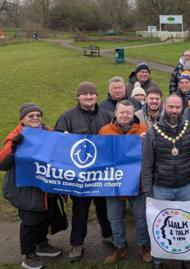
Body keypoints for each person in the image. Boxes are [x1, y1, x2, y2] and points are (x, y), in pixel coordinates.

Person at [141, 94, 190, 269]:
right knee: (159, 225)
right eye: (171, 107)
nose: (174, 111)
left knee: (185, 225)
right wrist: (148, 193)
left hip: (186, 186)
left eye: (177, 107)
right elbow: (147, 165)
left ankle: (187, 258)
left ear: (182, 108)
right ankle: (158, 260)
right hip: (161, 188)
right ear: (164, 107)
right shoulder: (153, 132)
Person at [54, 81, 113, 262]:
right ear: (78, 97)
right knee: (80, 212)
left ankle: (108, 235)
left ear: (97, 96)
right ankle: (77, 244)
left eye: (92, 94)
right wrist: (61, 138)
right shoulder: (67, 117)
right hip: (80, 179)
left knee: (105, 209)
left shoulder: (108, 115)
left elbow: (119, 136)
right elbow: (56, 144)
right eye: (84, 94)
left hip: (103, 175)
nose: (88, 97)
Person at [1, 103, 63, 269]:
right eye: (31, 116)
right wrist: (14, 148)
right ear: (22, 118)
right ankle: (28, 254)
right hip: (25, 187)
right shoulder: (17, 135)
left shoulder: (46, 131)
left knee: (44, 217)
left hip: (44, 187)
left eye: (38, 115)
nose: (35, 118)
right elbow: (2, 163)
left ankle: (42, 244)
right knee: (30, 221)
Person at [99, 100, 151, 264]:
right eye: (121, 112)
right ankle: (119, 247)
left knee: (141, 218)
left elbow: (151, 155)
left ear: (133, 114)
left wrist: (145, 143)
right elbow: (99, 155)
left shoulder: (143, 130)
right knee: (114, 218)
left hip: (138, 184)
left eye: (128, 113)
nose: (125, 115)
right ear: (115, 113)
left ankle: (144, 246)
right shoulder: (105, 130)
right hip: (113, 185)